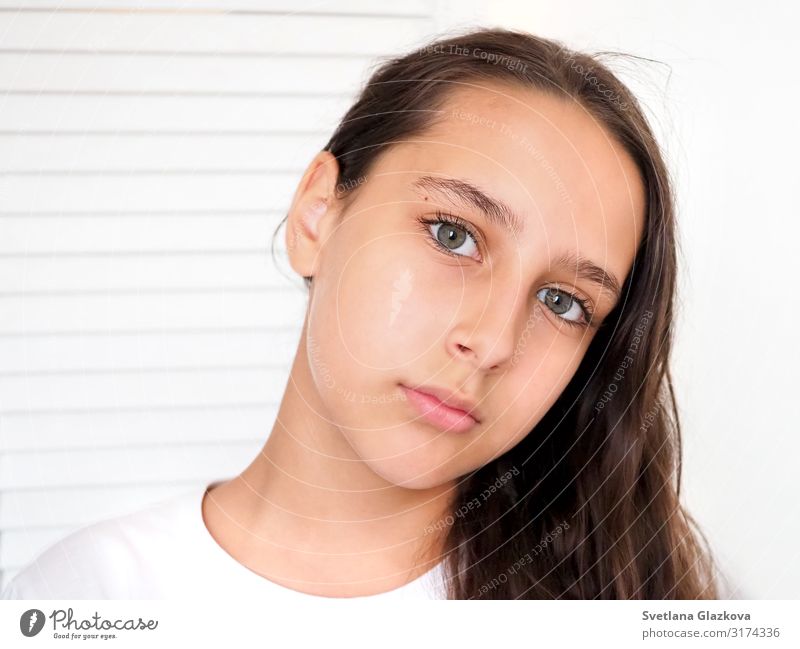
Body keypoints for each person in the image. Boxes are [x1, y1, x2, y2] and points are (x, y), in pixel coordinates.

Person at [2, 26, 719, 600]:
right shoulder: (82, 599)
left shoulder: (640, 605)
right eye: (453, 234)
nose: (493, 341)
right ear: (318, 213)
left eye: (564, 302)